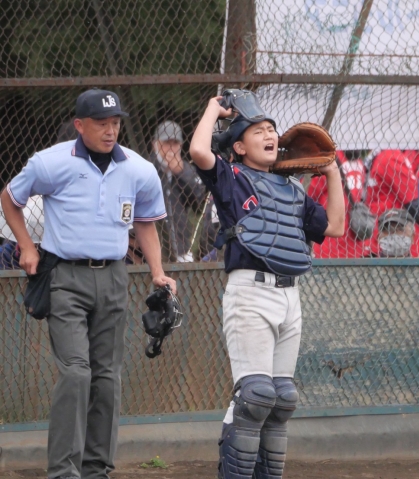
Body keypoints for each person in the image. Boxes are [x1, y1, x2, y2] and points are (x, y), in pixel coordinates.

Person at [0, 88, 176, 479]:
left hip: (114, 276)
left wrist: (157, 271)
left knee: (108, 376)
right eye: (101, 124)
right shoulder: (51, 163)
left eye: (115, 123)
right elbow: (10, 198)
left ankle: (96, 469)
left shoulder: (138, 169)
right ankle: (64, 471)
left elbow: (145, 222)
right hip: (65, 276)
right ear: (80, 125)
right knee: (77, 373)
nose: (110, 130)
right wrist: (26, 246)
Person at [189, 93, 344, 479]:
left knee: (281, 401)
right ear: (240, 147)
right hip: (250, 293)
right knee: (255, 397)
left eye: (272, 130)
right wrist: (213, 109)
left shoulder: (294, 191)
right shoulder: (232, 179)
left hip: (291, 296)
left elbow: (336, 227)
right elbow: (198, 151)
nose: (270, 135)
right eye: (258, 131)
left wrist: (332, 172)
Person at [152, 120, 208, 262]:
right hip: (154, 248)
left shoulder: (187, 170)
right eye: (166, 143)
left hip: (183, 247)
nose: (171, 148)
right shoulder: (147, 168)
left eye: (175, 143)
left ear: (181, 145)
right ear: (155, 144)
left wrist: (180, 173)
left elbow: (199, 204)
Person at [307, 150, 372, 258]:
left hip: (334, 236)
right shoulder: (357, 161)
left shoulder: (331, 159)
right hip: (348, 237)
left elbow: (311, 193)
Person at [365, 149, 419, 257]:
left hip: (382, 233)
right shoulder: (391, 157)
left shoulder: (381, 157)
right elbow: (412, 202)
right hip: (396, 231)